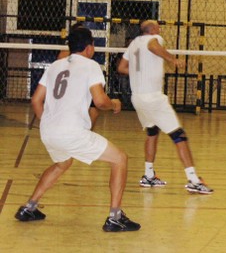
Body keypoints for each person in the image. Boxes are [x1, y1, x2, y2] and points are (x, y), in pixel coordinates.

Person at [16, 27, 140, 232]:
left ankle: (29, 207)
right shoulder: (91, 66)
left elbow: (36, 100)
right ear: (90, 47)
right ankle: (115, 217)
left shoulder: (55, 65)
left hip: (48, 130)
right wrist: (115, 104)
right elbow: (100, 101)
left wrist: (49, 122)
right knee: (120, 159)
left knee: (61, 164)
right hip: (71, 132)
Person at [117, 20, 213, 194]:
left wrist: (139, 72)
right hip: (153, 98)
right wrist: (172, 59)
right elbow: (154, 46)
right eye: (158, 27)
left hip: (137, 97)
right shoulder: (154, 38)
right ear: (153, 30)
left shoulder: (133, 44)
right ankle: (193, 180)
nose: (159, 30)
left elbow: (121, 67)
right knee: (179, 136)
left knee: (152, 132)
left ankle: (148, 175)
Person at [58, 22, 100, 125]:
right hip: (71, 84)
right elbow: (61, 61)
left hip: (85, 83)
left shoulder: (88, 53)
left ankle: (86, 133)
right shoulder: (67, 50)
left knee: (94, 111)